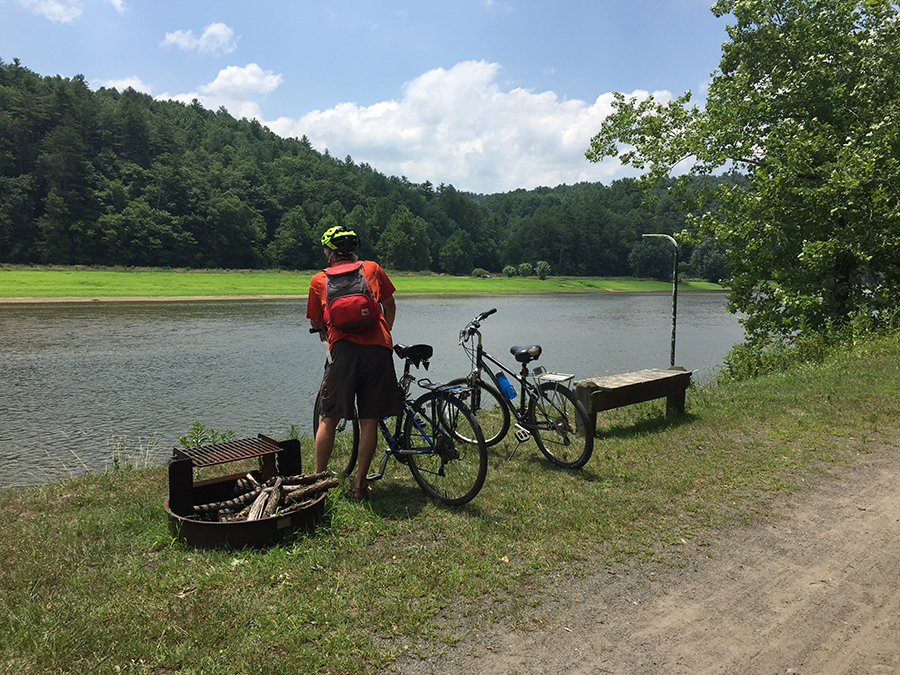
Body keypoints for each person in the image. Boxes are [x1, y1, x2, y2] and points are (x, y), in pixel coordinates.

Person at [307, 225, 401, 501]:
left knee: (328, 417)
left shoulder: (318, 280)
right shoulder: (371, 268)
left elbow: (316, 323)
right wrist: (387, 332)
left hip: (343, 352)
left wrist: (330, 344)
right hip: (377, 349)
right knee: (370, 418)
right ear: (354, 251)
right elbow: (390, 304)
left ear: (329, 254)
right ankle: (360, 486)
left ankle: (318, 484)